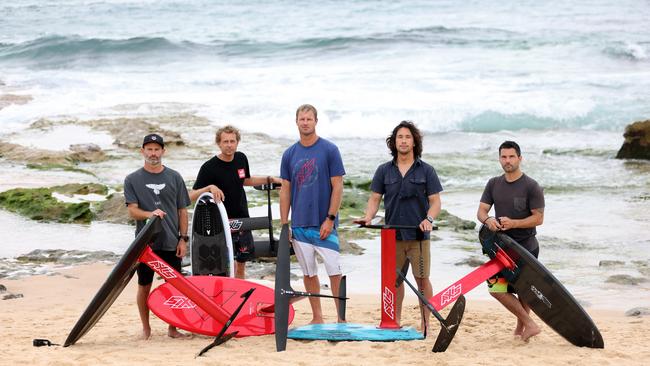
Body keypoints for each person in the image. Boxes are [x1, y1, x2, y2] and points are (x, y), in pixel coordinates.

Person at [356, 121, 442, 331]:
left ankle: (425, 323)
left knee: (422, 281)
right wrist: (368, 217)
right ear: (394, 143)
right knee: (394, 281)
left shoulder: (427, 170)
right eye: (399, 137)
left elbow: (435, 202)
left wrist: (428, 220)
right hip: (392, 236)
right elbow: (375, 198)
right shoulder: (384, 170)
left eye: (407, 137)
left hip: (418, 237)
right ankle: (394, 320)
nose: (403, 141)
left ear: (414, 142)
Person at [279, 104, 346, 324]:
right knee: (309, 273)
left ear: (316, 121)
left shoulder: (329, 150)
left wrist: (330, 218)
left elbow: (338, 186)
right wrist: (284, 224)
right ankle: (317, 317)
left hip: (324, 225)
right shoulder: (289, 154)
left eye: (309, 119)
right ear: (296, 121)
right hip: (300, 226)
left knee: (334, 272)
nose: (305, 122)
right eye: (302, 119)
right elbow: (286, 190)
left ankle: (340, 318)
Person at [190, 125, 281, 279]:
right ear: (218, 143)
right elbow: (191, 196)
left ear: (237, 142)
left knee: (241, 263)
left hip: (242, 219)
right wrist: (209, 188)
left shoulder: (241, 158)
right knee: (223, 266)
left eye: (232, 141)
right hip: (220, 223)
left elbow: (245, 180)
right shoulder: (209, 167)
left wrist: (270, 179)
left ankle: (240, 298)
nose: (229, 145)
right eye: (225, 141)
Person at [124, 133, 191, 340]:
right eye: (149, 149)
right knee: (144, 286)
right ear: (142, 151)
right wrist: (149, 214)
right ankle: (146, 328)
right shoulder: (132, 179)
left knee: (173, 286)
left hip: (172, 241)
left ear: (163, 151)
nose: (153, 153)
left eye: (157, 149)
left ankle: (173, 328)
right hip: (145, 244)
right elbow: (132, 211)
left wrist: (183, 239)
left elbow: (182, 210)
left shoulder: (174, 177)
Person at [477, 140, 544, 342]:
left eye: (511, 156)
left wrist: (514, 223)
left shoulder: (531, 186)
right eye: (504, 157)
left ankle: (521, 328)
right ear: (499, 159)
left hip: (526, 248)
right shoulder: (494, 184)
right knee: (496, 289)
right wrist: (488, 220)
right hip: (501, 248)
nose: (508, 161)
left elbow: (538, 218)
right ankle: (529, 324)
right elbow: (481, 211)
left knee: (524, 291)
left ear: (520, 158)